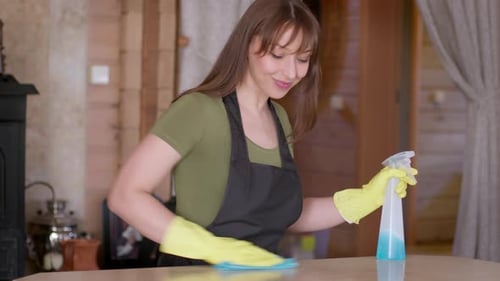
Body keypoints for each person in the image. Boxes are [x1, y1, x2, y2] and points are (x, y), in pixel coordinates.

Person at [107, 0, 417, 268]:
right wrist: (213, 249)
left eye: (303, 58)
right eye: (278, 55)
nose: (291, 72)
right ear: (247, 46)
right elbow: (125, 196)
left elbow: (284, 216)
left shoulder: (279, 118)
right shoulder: (199, 110)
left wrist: (364, 198)